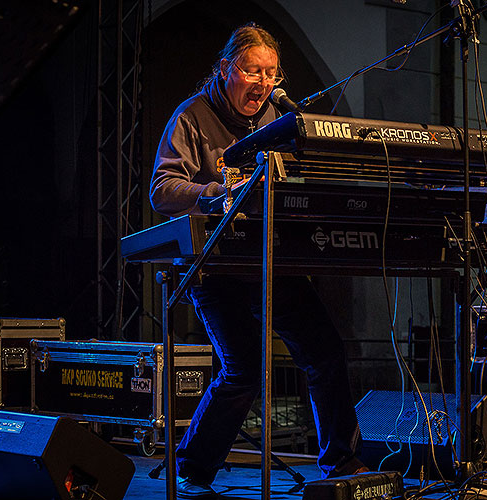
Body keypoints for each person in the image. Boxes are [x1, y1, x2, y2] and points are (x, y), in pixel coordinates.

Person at [150, 23, 366, 499]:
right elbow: (162, 190)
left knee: (325, 350)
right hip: (218, 265)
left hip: (271, 259)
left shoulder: (278, 116)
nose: (264, 83)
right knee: (244, 369)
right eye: (253, 71)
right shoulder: (191, 116)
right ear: (227, 69)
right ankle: (192, 466)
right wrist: (214, 191)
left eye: (271, 73)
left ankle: (340, 458)